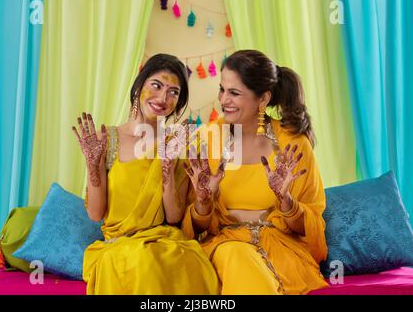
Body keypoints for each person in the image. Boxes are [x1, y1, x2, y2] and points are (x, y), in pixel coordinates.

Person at [182, 50, 329, 295]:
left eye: (234, 93)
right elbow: (193, 228)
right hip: (225, 245)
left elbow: (312, 224)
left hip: (281, 250)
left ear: (262, 99)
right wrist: (203, 202)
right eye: (222, 89)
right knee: (235, 254)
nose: (223, 100)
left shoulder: (293, 143)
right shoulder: (206, 139)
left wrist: (287, 202)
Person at [72, 54, 219, 295]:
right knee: (143, 260)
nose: (163, 98)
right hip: (120, 245)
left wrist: (168, 172)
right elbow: (96, 213)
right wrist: (92, 166)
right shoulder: (107, 140)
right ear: (139, 85)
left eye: (174, 92)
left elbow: (173, 216)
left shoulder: (175, 144)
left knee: (191, 261)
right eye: (157, 85)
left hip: (165, 241)